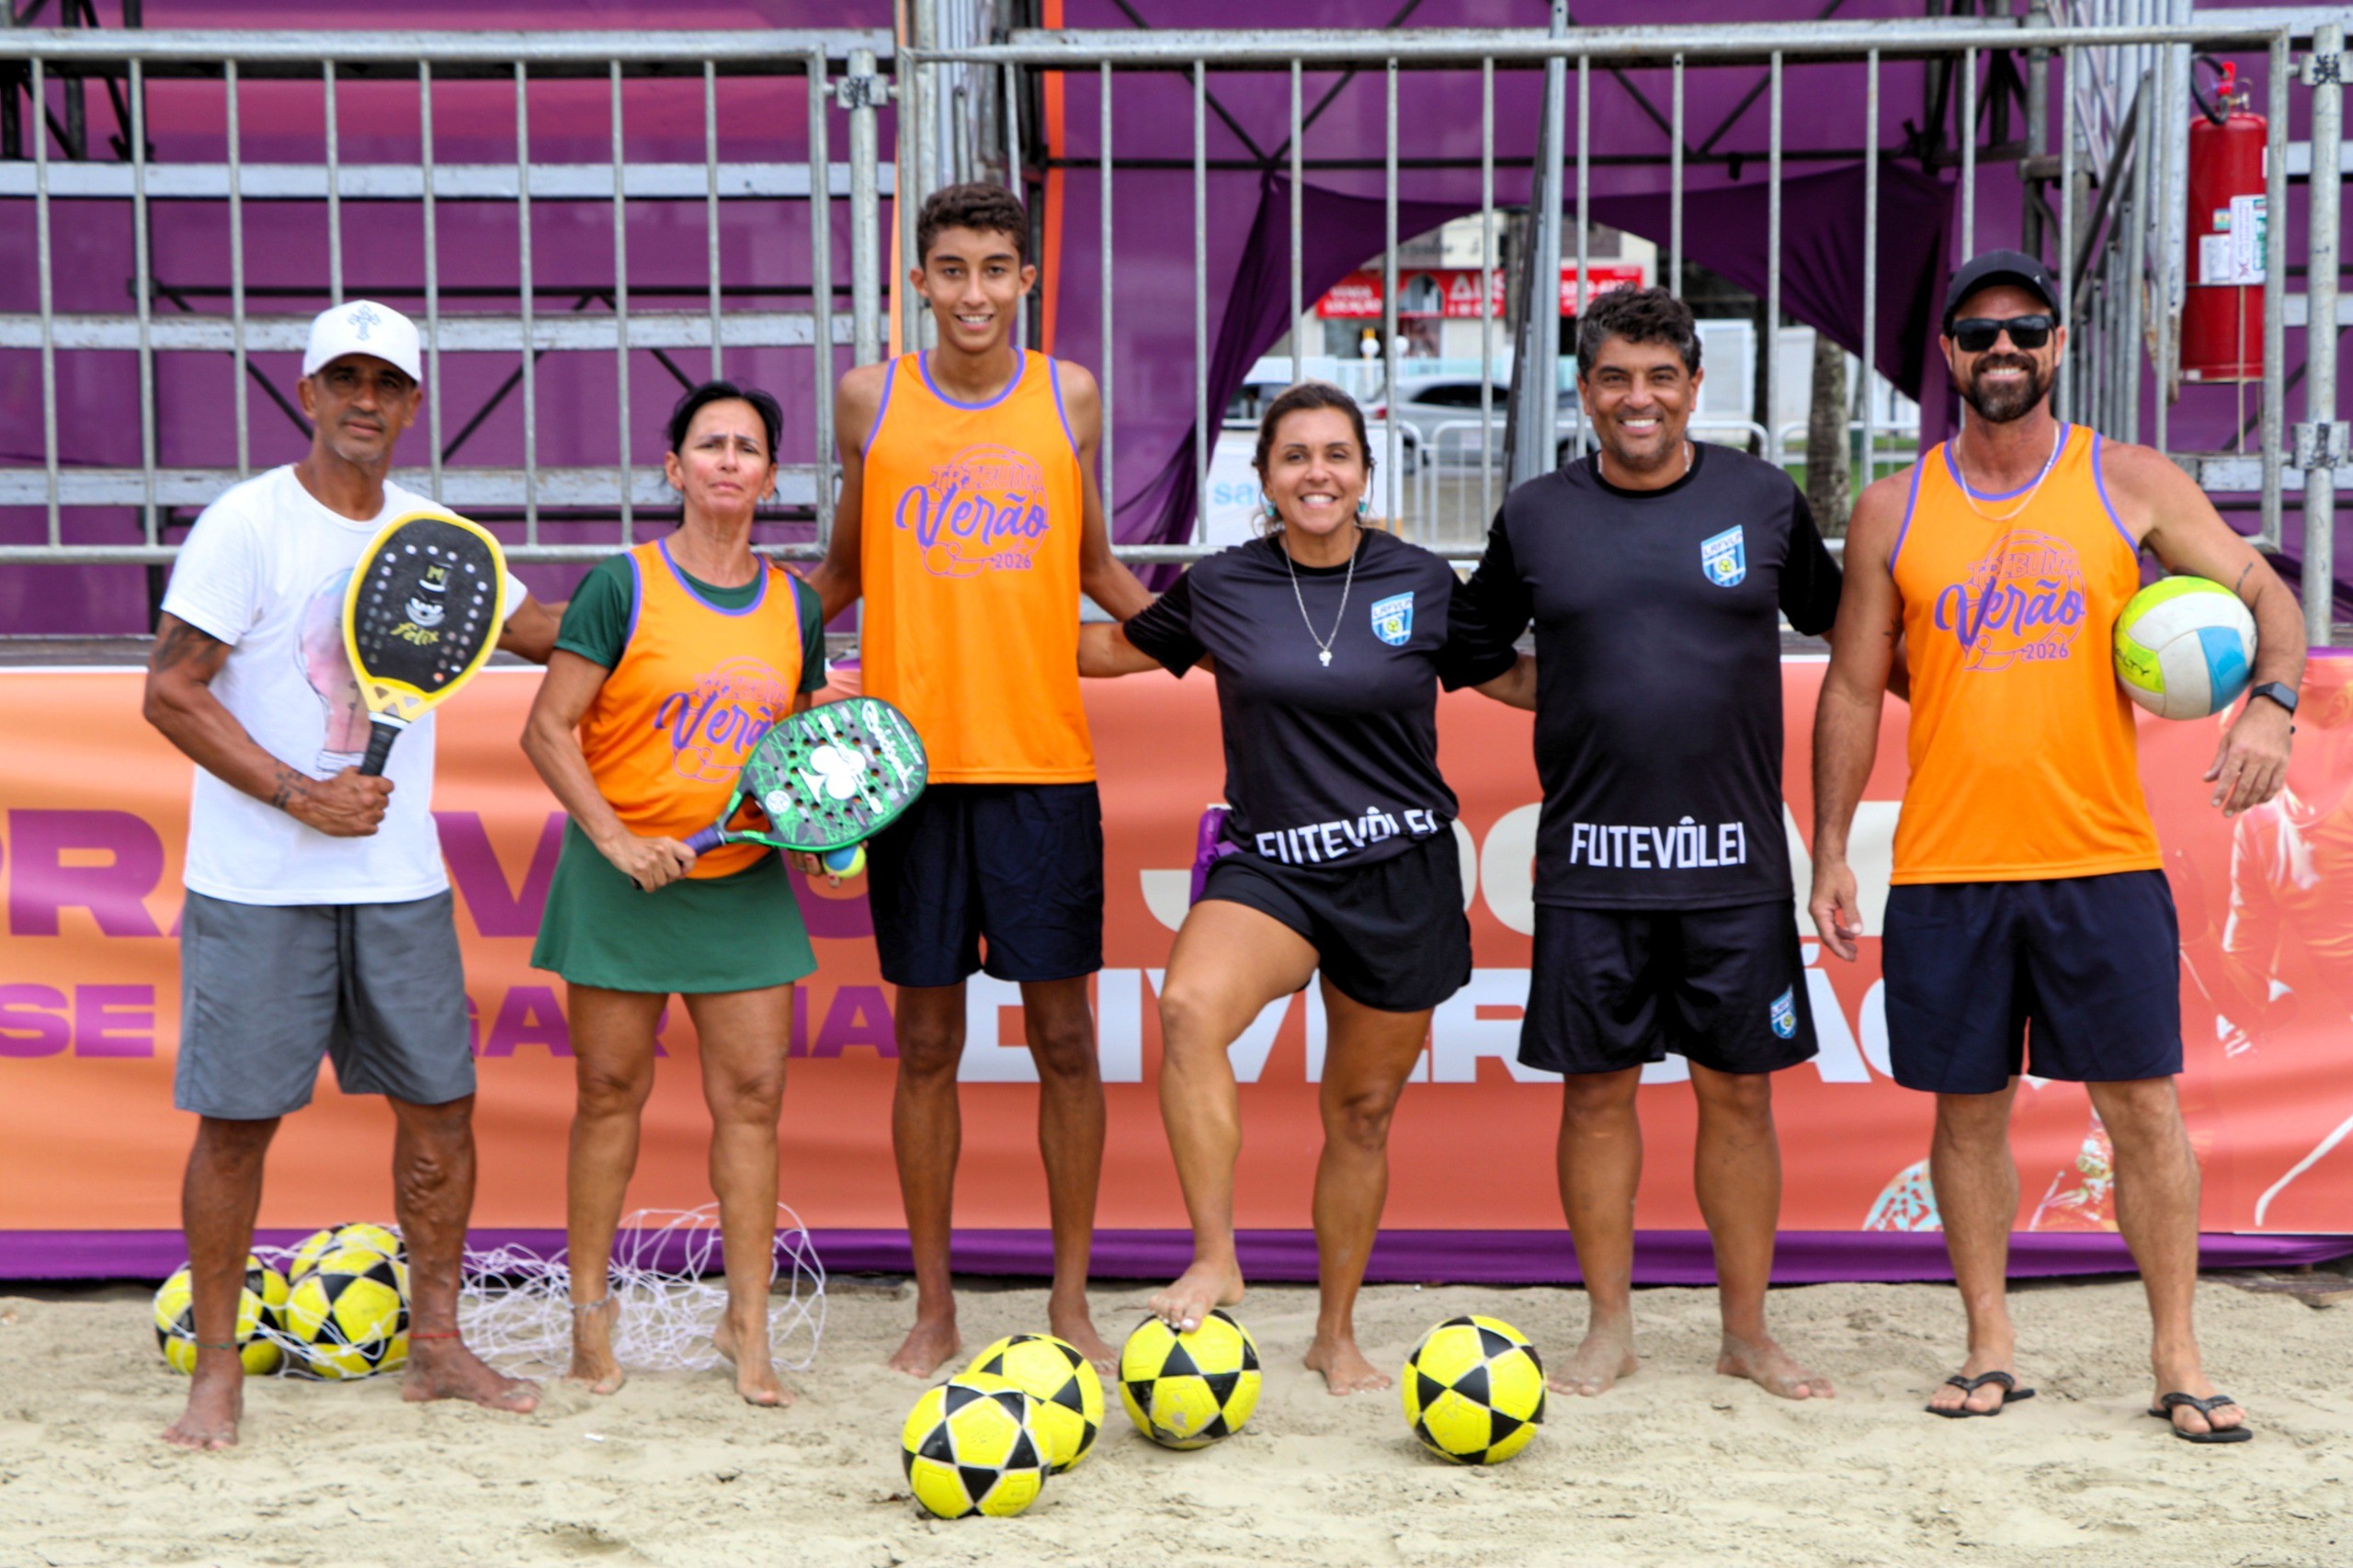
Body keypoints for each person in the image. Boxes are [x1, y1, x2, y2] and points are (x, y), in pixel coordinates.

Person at [1811, 249, 2306, 1440]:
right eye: (1978, 332)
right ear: (1947, 352)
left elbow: (2268, 597)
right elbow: (1851, 687)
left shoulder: (2128, 481)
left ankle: (2177, 1352)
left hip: (2100, 857)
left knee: (2141, 1107)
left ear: (2057, 346)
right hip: (1948, 865)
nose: (2002, 350)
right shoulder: (1892, 506)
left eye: (2024, 330)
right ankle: (1989, 1341)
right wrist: (1827, 848)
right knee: (1966, 1114)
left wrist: (2272, 704)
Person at [142, 300, 558, 1449]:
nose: (364, 400)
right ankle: (216, 1371)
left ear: (414, 405)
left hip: (396, 883)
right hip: (255, 883)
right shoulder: (246, 524)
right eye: (346, 379)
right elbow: (169, 691)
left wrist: (709, 600)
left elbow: (545, 634)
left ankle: (438, 1344)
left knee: (442, 1109)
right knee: (236, 1125)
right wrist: (299, 793)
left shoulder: (438, 537)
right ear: (308, 393)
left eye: (386, 383)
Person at [1078, 381, 1533, 1394]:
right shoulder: (1224, 583)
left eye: (1336, 454)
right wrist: (959, 634)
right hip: (1273, 863)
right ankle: (1216, 1255)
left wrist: (1645, 665)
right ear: (1265, 477)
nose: (1316, 473)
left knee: (1360, 1113)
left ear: (1365, 473)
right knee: (1188, 1007)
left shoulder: (1420, 578)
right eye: (1295, 456)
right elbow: (1109, 649)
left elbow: (1510, 677)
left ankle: (1335, 1333)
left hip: (1401, 874)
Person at [1450, 285, 1843, 1403]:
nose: (1639, 398)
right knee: (1594, 1095)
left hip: (1733, 865)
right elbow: (1472, 648)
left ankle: (1746, 1332)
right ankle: (1608, 1328)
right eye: (1616, 378)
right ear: (1584, 391)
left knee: (1740, 1096)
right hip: (1592, 865)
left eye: (1661, 377)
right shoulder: (1536, 513)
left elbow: (1846, 631)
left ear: (1693, 386)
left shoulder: (1761, 499)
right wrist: (1573, 688)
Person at [803, 182, 1154, 1375]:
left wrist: (1211, 638)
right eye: (950, 269)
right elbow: (842, 572)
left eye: (994, 268)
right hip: (906, 773)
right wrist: (737, 645)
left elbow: (1097, 565)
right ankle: (934, 1306)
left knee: (1065, 1042)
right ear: (918, 281)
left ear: (1026, 279)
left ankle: (1070, 1301)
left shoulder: (1069, 395)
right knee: (924, 1046)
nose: (973, 292)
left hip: (1042, 762)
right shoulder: (871, 399)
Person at [520, 381, 830, 1408]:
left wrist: (823, 846)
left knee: (754, 1102)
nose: (729, 460)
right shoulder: (621, 585)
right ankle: (589, 1319)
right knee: (609, 1094)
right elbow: (547, 729)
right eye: (709, 444)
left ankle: (747, 1324)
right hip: (622, 884)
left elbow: (803, 763)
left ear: (770, 477)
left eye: (748, 447)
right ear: (674, 468)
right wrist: (617, 840)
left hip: (740, 886)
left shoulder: (796, 605)